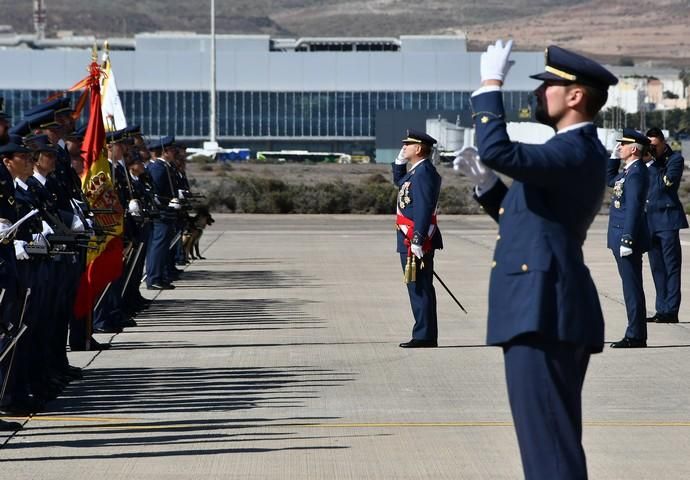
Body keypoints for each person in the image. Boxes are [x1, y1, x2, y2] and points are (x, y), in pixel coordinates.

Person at [456, 41, 616, 479]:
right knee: (546, 445)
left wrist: (489, 87)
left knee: (550, 451)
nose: (540, 93)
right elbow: (531, 220)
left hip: (544, 310)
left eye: (549, 86)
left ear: (575, 95)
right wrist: (488, 186)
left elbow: (499, 150)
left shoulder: (575, 148)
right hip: (542, 307)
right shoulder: (569, 151)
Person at [393, 129, 443, 348]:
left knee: (419, 287)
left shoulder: (424, 173)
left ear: (419, 149)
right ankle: (425, 333)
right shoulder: (416, 171)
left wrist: (418, 239)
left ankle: (424, 336)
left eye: (408, 145)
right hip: (410, 238)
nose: (404, 147)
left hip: (415, 239)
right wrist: (398, 162)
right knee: (417, 287)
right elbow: (400, 183)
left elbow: (424, 208)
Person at [608, 129, 650, 348]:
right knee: (630, 286)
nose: (620, 147)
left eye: (623, 145)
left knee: (632, 287)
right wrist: (613, 158)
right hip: (619, 234)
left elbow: (634, 208)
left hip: (626, 237)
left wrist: (627, 239)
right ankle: (636, 332)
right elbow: (609, 181)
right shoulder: (628, 171)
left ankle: (635, 335)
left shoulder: (636, 173)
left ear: (634, 149)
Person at [644, 127, 688, 323]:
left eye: (654, 145)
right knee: (657, 268)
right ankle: (661, 309)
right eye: (649, 145)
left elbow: (667, 183)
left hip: (668, 221)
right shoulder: (648, 163)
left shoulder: (675, 159)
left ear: (662, 142)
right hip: (650, 221)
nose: (651, 149)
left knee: (671, 267)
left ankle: (671, 310)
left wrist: (654, 162)